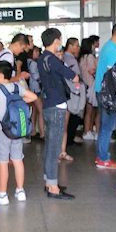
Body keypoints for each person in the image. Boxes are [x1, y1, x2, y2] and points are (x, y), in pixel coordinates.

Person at [0, 61, 37, 205]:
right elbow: (33, 97)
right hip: (17, 129)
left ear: (1, 75)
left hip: (1, 130)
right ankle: (20, 191)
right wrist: (20, 101)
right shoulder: (17, 86)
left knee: (2, 162)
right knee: (17, 160)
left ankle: (2, 195)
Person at [38, 28, 78, 200]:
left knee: (50, 145)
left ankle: (49, 181)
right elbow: (74, 77)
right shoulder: (53, 59)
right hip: (57, 104)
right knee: (54, 148)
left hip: (47, 104)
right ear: (56, 41)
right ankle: (53, 187)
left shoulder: (41, 58)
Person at [95, 23, 116, 169]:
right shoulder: (113, 50)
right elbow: (113, 76)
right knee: (107, 127)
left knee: (105, 126)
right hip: (108, 93)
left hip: (101, 91)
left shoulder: (108, 46)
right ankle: (103, 159)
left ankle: (101, 157)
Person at [61, 38, 83, 157]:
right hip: (71, 91)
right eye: (76, 45)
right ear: (70, 46)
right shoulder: (70, 59)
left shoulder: (65, 58)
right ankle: (65, 144)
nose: (78, 48)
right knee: (67, 120)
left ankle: (63, 148)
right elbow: (75, 77)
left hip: (65, 92)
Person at [79, 38, 99, 141]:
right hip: (91, 86)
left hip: (85, 85)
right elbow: (92, 71)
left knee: (89, 111)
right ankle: (87, 131)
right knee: (91, 111)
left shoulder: (82, 57)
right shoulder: (90, 57)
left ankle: (88, 131)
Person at [28, 46, 44, 139]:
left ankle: (33, 130)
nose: (38, 53)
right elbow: (36, 76)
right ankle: (42, 133)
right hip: (36, 89)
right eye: (36, 52)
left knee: (34, 110)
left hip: (32, 88)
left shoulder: (29, 62)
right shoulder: (33, 63)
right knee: (41, 111)